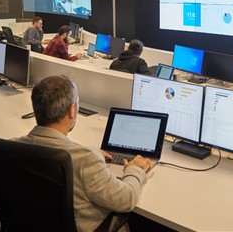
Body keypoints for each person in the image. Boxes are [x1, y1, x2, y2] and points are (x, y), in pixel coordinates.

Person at [15, 76, 154, 232]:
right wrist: (135, 170)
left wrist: (87, 152)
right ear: (72, 110)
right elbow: (126, 199)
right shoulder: (86, 160)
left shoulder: (11, 148)